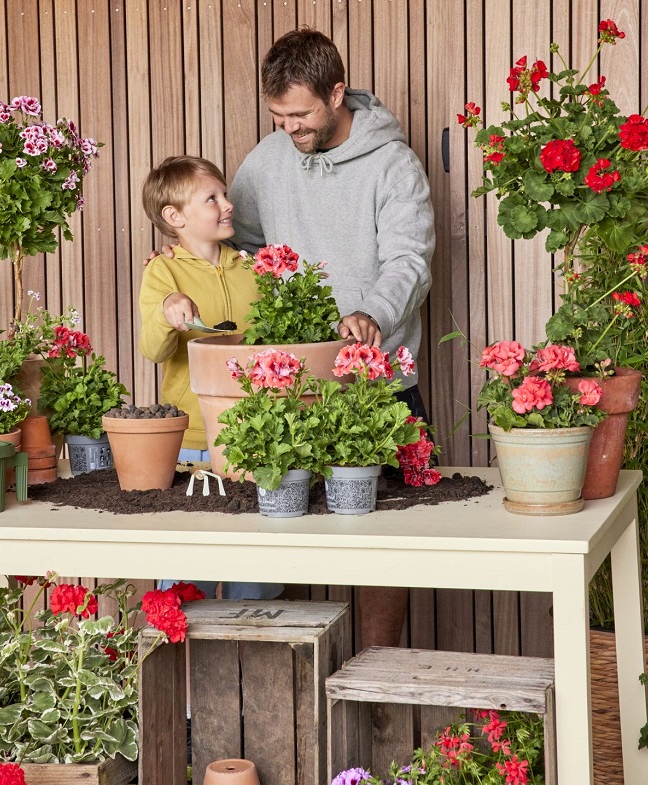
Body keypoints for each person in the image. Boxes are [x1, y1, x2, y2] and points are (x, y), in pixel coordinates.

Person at [149, 29, 436, 648]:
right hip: (288, 386)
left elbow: (410, 259)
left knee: (386, 544)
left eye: (301, 115)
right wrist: (184, 270)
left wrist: (373, 315)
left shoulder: (393, 165)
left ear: (337, 93)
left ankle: (377, 672)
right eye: (278, 116)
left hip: (375, 381)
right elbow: (238, 247)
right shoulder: (267, 161)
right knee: (288, 536)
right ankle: (296, 673)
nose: (290, 129)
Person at [139, 155, 282, 601]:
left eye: (225, 194)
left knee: (255, 580)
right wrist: (168, 310)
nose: (227, 205)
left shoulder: (253, 268)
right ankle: (177, 664)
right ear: (174, 217)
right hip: (192, 443)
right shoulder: (162, 272)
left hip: (254, 440)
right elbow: (154, 349)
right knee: (184, 579)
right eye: (212, 198)